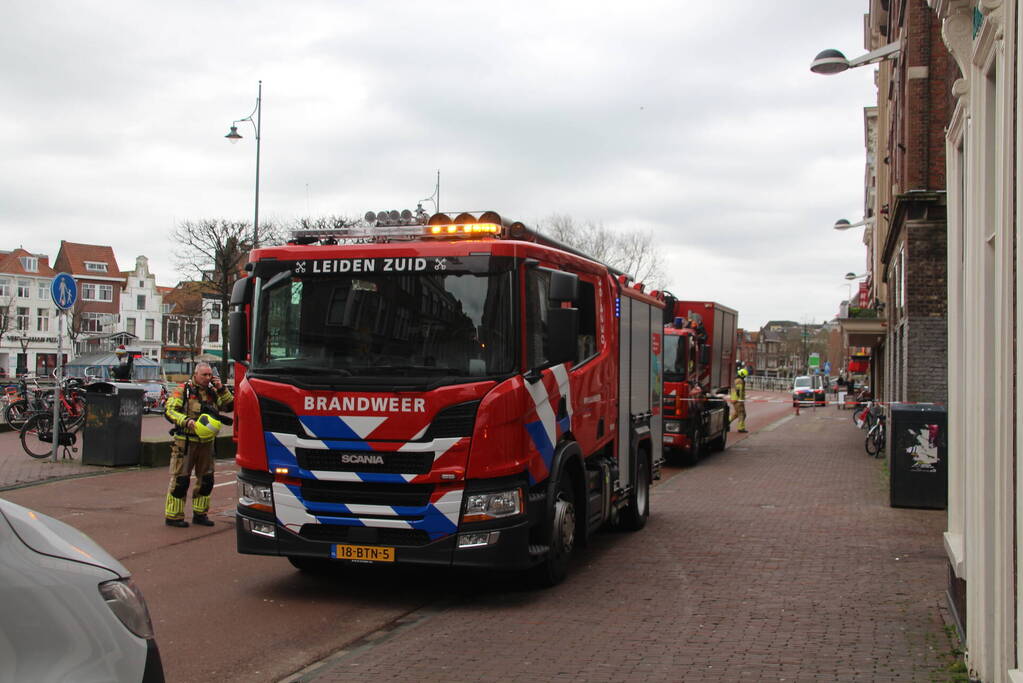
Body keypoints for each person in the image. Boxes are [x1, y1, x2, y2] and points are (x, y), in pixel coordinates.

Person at [163, 363, 233, 527]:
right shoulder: (183, 390)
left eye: (210, 375)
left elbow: (230, 406)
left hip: (207, 443)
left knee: (207, 479)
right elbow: (170, 410)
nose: (207, 378)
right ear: (196, 374)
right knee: (181, 479)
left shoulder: (213, 392)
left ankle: (200, 514)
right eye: (204, 375)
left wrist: (221, 388)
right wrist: (186, 421)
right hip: (185, 442)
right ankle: (174, 516)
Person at [730, 367, 748, 433]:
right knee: (742, 414)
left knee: (736, 414)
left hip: (735, 399)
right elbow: (738, 391)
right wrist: (740, 399)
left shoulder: (736, 380)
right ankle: (741, 428)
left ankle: (726, 422)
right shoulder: (739, 381)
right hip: (738, 400)